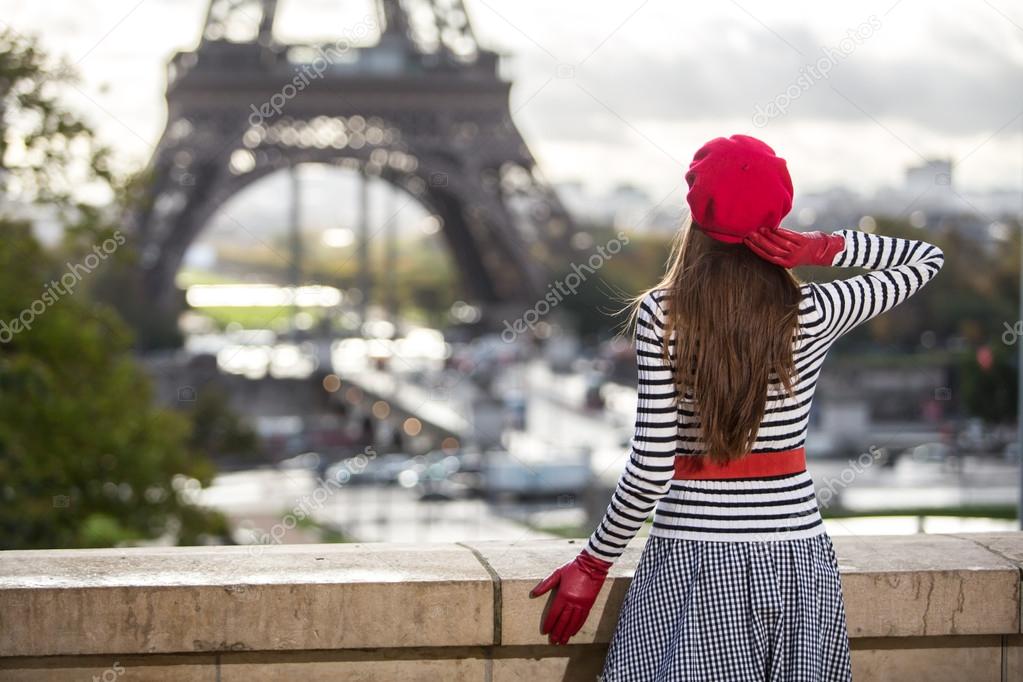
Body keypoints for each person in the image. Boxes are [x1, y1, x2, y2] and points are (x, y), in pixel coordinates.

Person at [529, 134, 945, 681]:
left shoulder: (663, 315)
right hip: (797, 558)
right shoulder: (817, 309)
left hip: (692, 557)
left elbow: (653, 465)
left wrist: (593, 561)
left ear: (697, 212)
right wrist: (822, 248)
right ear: (779, 211)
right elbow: (925, 259)